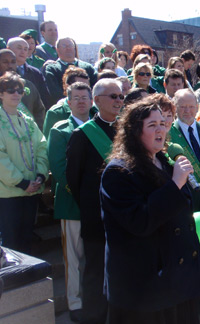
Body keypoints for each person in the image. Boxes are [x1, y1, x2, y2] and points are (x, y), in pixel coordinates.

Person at [100, 99, 200, 324]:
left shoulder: (163, 162)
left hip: (178, 281)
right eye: (152, 125)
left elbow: (184, 218)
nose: (161, 129)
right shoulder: (118, 172)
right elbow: (141, 222)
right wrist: (175, 184)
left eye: (163, 123)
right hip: (145, 288)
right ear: (135, 132)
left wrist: (198, 262)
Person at [66, 79, 124, 324]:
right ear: (96, 100)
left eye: (121, 96)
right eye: (112, 96)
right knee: (95, 271)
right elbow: (74, 178)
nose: (118, 101)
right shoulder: (82, 135)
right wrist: (92, 207)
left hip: (125, 214)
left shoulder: (126, 130)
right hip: (96, 216)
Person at [47, 82, 93, 322]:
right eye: (76, 98)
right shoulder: (60, 130)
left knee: (94, 257)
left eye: (85, 97)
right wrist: (82, 196)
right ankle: (75, 303)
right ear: (69, 102)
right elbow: (59, 168)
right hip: (72, 204)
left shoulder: (100, 127)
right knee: (73, 259)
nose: (81, 101)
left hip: (98, 206)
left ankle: (93, 298)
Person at [0, 72, 49, 253]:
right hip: (8, 194)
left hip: (31, 190)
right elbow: (0, 158)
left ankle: (29, 279)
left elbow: (42, 146)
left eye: (19, 90)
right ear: (1, 94)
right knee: (10, 241)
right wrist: (21, 182)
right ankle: (13, 280)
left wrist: (40, 175)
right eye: (10, 90)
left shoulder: (28, 120)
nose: (16, 94)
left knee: (27, 237)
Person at [43, 67, 96, 138]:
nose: (82, 88)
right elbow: (49, 141)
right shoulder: (56, 113)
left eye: (86, 86)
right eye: (78, 85)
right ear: (67, 86)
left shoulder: (94, 110)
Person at [0, 49, 46, 130]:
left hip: (29, 134)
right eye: (5, 62)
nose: (10, 65)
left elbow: (39, 110)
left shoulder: (27, 85)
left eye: (13, 62)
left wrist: (36, 129)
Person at [44, 37, 97, 105]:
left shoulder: (88, 67)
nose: (68, 48)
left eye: (70, 45)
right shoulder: (52, 69)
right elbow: (54, 91)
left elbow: (95, 87)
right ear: (57, 50)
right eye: (64, 46)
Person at [7, 37, 52, 108]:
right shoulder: (3, 72)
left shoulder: (36, 73)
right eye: (19, 48)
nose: (23, 52)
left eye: (25, 49)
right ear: (8, 49)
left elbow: (45, 99)